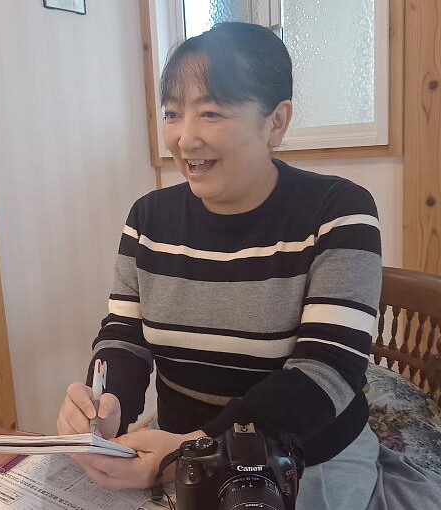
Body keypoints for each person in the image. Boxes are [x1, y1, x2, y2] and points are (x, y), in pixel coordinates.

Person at [57, 22, 441, 508]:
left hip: (302, 460)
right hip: (177, 451)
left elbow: (327, 370)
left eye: (211, 113)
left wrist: (191, 451)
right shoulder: (148, 218)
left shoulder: (338, 210)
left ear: (276, 122)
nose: (185, 138)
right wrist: (106, 404)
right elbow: (124, 334)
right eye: (172, 113)